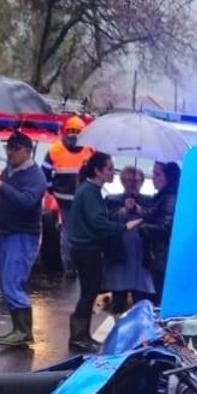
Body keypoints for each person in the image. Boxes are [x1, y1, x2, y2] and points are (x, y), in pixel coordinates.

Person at [68, 151, 140, 352]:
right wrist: (123, 227)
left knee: (89, 292)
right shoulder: (89, 192)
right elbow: (98, 223)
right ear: (98, 171)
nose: (112, 173)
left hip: (87, 248)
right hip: (86, 249)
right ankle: (78, 336)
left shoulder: (92, 191)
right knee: (89, 292)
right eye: (109, 168)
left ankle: (82, 335)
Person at [0, 130, 44, 348]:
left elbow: (27, 201)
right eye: (8, 147)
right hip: (7, 233)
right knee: (5, 280)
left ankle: (23, 331)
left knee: (13, 281)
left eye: (14, 148)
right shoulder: (10, 171)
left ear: (27, 151)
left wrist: (2, 186)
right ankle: (17, 329)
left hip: (22, 235)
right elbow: (5, 195)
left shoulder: (35, 176)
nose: (9, 152)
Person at [102, 164, 156, 310]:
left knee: (142, 303)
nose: (131, 184)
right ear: (122, 182)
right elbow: (107, 221)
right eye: (127, 180)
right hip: (120, 254)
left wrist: (138, 209)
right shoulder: (111, 199)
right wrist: (124, 210)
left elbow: (154, 218)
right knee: (118, 301)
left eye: (135, 181)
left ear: (142, 182)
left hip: (141, 256)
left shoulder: (150, 200)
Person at [42, 116, 93, 273]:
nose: (73, 135)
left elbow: (45, 173)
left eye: (75, 132)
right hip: (72, 200)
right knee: (76, 231)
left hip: (73, 198)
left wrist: (52, 190)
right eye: (71, 131)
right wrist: (52, 190)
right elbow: (45, 171)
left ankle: (73, 263)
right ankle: (74, 264)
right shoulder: (87, 149)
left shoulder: (88, 150)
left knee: (72, 231)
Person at [141, 160, 179, 292]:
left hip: (162, 257)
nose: (153, 178)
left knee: (161, 294)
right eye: (153, 174)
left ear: (168, 178)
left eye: (157, 174)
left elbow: (165, 228)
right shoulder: (162, 196)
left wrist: (143, 227)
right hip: (159, 256)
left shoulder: (169, 198)